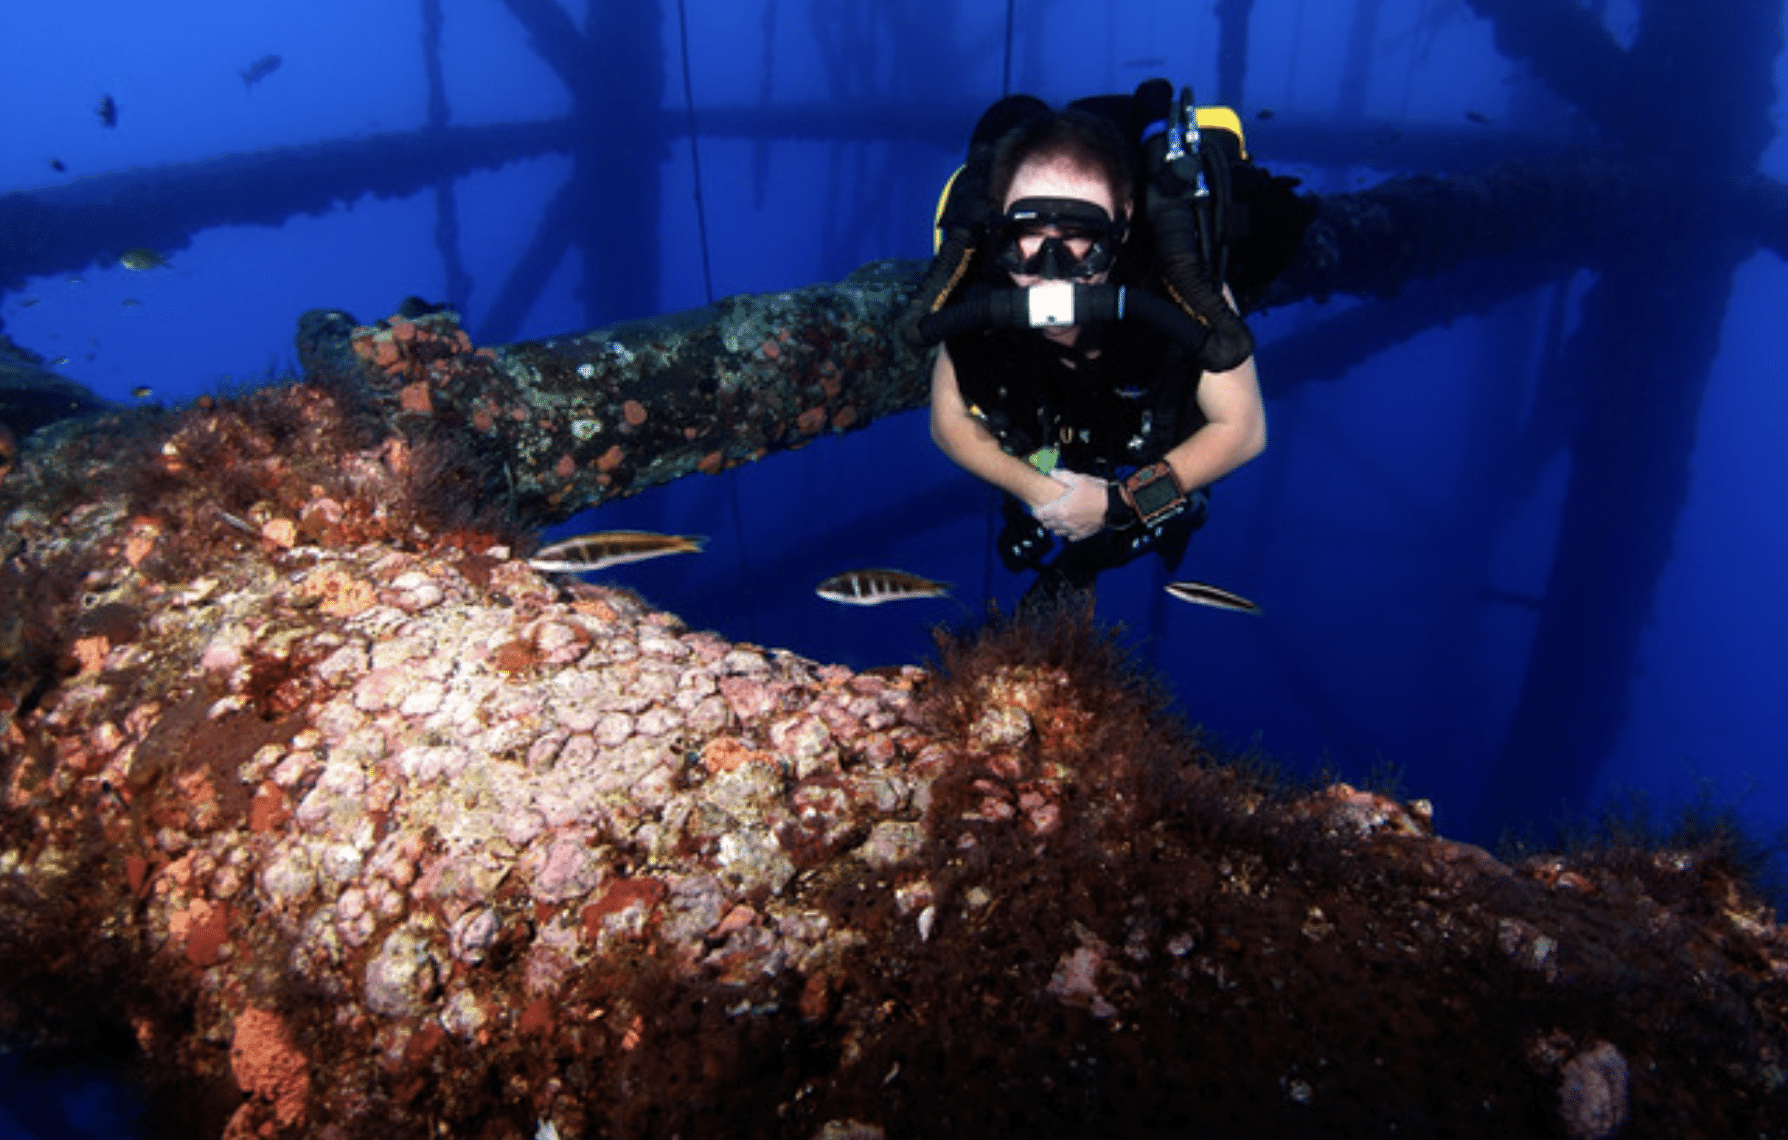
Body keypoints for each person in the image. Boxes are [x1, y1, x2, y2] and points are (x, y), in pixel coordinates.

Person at [926, 104, 1267, 604]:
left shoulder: (1176, 289)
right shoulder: (978, 285)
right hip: (1051, 432)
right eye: (1028, 234)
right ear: (999, 225)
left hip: (1147, 430)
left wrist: (1120, 503)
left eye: (1080, 236)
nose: (1051, 269)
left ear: (1122, 226)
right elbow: (948, 423)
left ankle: (1164, 509)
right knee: (1036, 443)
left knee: (1178, 492)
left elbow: (1243, 431)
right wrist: (1039, 493)